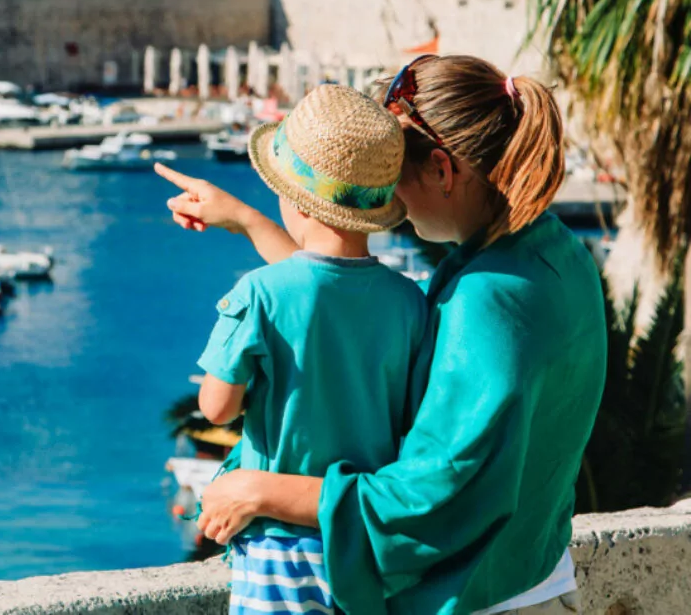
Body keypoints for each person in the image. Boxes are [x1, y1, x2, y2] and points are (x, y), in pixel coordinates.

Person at [155, 55, 606, 615]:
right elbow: (336, 295)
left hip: (478, 601)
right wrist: (249, 221)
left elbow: (424, 500)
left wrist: (258, 489)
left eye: (396, 178)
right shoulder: (553, 253)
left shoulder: (484, 304)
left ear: (442, 170)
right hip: (535, 575)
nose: (387, 202)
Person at [194, 85, 428, 615]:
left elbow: (217, 407)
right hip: (361, 543)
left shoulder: (259, 293)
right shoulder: (410, 302)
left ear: (292, 198)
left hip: (276, 548)